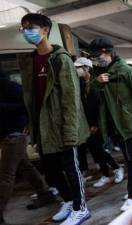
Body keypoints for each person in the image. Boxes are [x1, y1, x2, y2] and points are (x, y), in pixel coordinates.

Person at [18, 13, 90, 225]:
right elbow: (32, 97)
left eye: (31, 27)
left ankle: (81, 208)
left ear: (45, 30)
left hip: (62, 123)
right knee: (51, 171)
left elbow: (70, 99)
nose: (27, 32)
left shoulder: (60, 59)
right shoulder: (30, 61)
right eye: (23, 28)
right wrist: (31, 124)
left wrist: (70, 130)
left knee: (71, 169)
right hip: (43, 125)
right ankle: (68, 201)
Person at [89, 38, 132, 211]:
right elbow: (90, 98)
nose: (95, 59)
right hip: (113, 126)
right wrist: (96, 83)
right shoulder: (99, 74)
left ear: (108, 52)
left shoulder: (126, 71)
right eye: (93, 57)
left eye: (97, 55)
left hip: (131, 123)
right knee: (130, 158)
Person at [0, 71, 56, 224]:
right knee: (25, 167)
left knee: (6, 175)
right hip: (9, 135)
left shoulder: (8, 86)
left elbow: (26, 107)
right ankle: (45, 194)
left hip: (13, 135)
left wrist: (3, 108)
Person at [74, 57, 124, 188]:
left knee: (99, 149)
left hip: (97, 122)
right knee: (95, 150)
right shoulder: (80, 84)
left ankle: (116, 168)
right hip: (86, 124)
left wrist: (96, 124)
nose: (77, 70)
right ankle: (105, 175)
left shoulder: (97, 82)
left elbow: (99, 105)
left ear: (86, 68)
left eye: (79, 68)